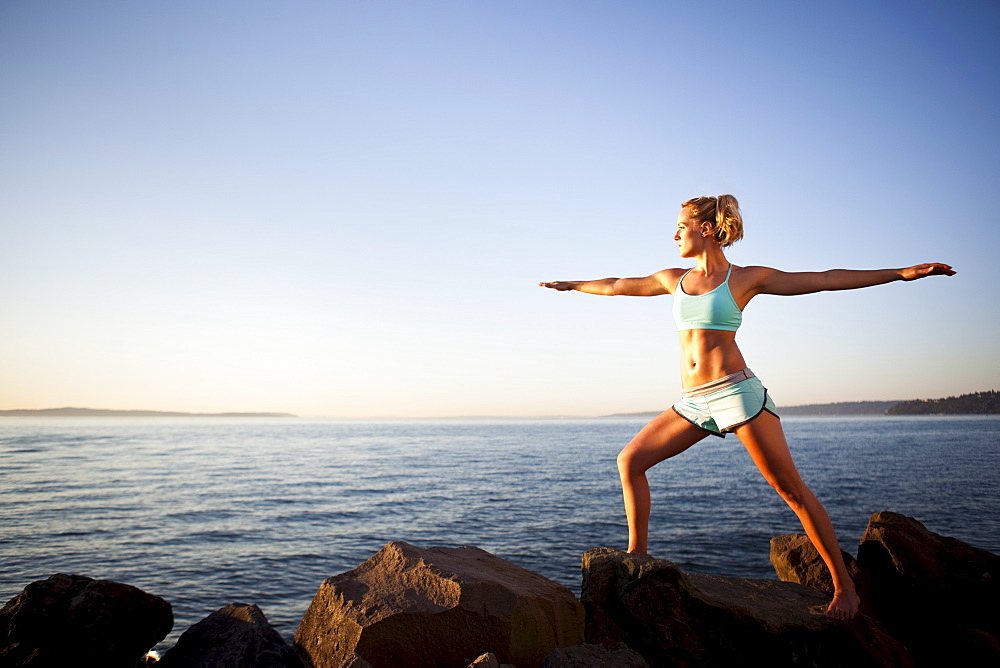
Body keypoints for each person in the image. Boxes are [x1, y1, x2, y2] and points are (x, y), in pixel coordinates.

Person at [539, 194, 954, 620]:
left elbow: (824, 278)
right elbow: (615, 284)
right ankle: (638, 554)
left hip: (737, 394)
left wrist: (901, 274)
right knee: (630, 461)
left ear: (705, 229)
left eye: (681, 225)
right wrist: (573, 285)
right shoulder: (672, 279)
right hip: (694, 402)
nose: (675, 233)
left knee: (790, 489)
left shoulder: (745, 278)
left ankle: (844, 586)